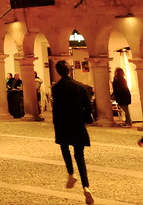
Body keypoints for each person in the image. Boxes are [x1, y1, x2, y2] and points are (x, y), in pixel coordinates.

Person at [52, 60, 95, 205]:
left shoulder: (57, 88)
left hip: (63, 123)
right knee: (80, 155)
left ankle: (71, 173)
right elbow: (88, 108)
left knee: (64, 148)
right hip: (77, 124)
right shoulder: (80, 86)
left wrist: (56, 124)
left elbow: (56, 109)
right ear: (69, 70)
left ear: (58, 71)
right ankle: (86, 187)